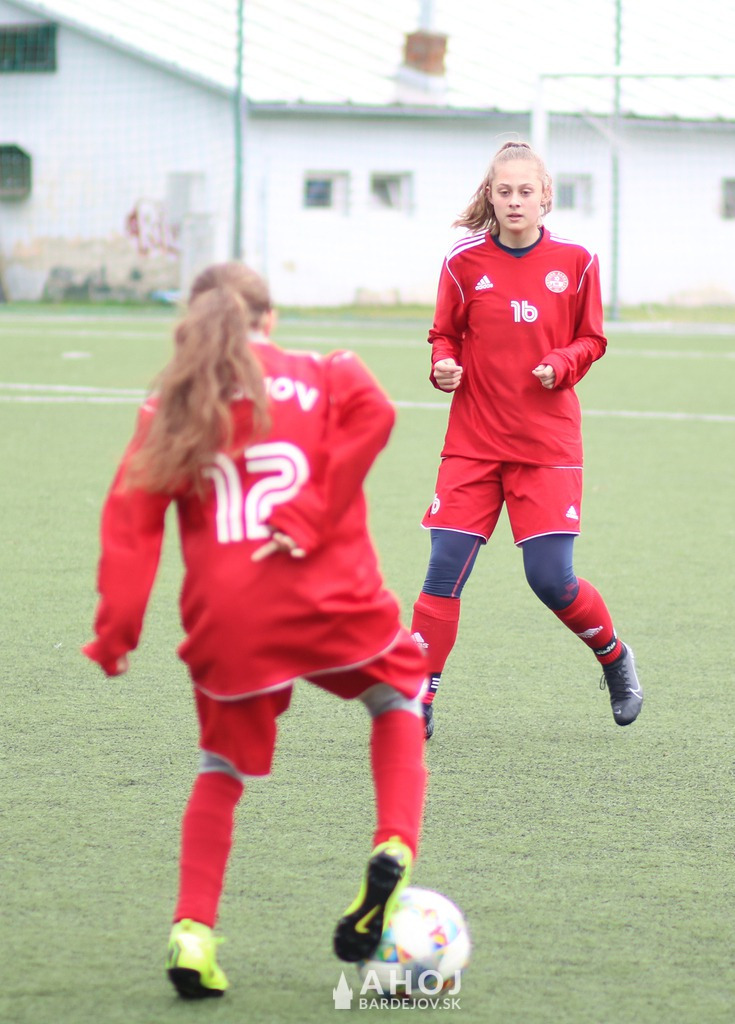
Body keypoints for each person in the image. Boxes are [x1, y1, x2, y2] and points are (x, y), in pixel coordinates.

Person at [82, 262, 428, 999]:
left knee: (219, 769)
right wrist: (310, 512)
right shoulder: (326, 372)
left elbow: (131, 523)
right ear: (270, 319)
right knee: (398, 693)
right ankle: (394, 846)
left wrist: (115, 632)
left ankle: (193, 934)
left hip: (229, 618)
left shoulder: (170, 408)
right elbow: (377, 413)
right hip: (330, 595)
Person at [410, 140, 643, 740]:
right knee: (443, 568)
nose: (515, 201)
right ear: (490, 196)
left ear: (545, 197)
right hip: (473, 443)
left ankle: (614, 656)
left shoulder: (578, 261)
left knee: (550, 580)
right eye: (504, 191)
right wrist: (442, 366)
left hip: (546, 447)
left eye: (526, 191)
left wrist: (562, 362)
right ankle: (418, 696)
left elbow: (593, 339)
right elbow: (443, 335)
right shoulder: (463, 263)